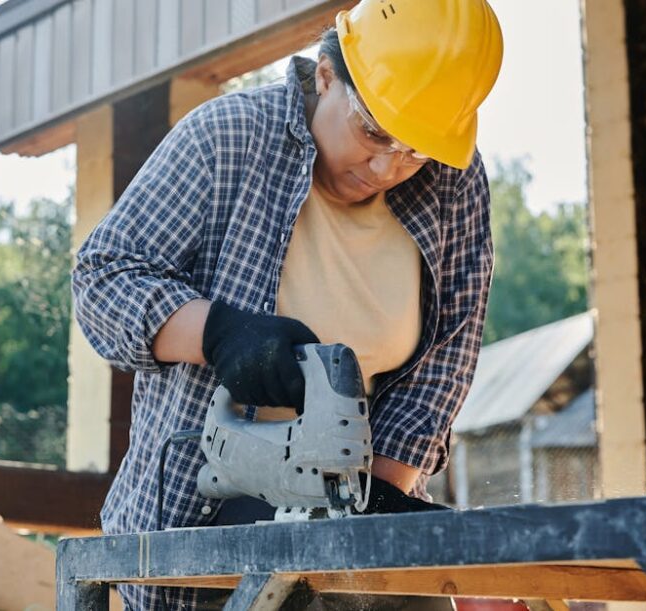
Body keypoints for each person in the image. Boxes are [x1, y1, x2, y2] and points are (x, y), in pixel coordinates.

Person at [72, 0, 503, 608]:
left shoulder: (455, 184)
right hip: (202, 510)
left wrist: (372, 508)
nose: (387, 167)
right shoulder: (227, 137)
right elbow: (103, 279)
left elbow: (445, 359)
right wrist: (217, 333)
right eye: (374, 131)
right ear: (327, 75)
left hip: (358, 486)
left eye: (415, 150)